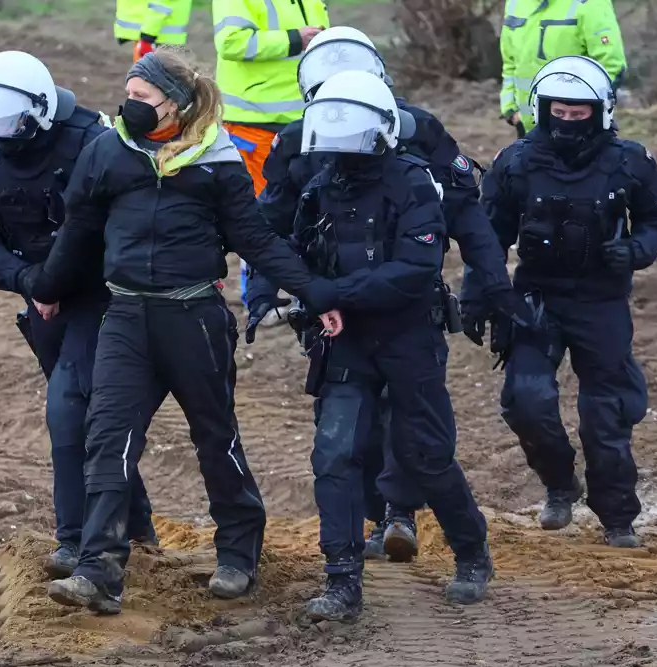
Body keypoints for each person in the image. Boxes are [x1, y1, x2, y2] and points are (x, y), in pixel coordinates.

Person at [29, 50, 343, 615]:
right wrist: (47, 287)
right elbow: (78, 231)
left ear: (175, 104)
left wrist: (315, 293)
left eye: (143, 99)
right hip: (124, 317)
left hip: (193, 317)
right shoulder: (107, 151)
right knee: (108, 436)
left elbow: (257, 239)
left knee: (214, 436)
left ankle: (238, 552)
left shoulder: (217, 160)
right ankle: (99, 570)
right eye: (128, 95)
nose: (130, 107)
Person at [251, 26, 530, 563]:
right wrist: (266, 289)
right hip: (335, 315)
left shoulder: (418, 137)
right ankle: (369, 531)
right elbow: (273, 224)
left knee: (419, 434)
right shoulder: (295, 143)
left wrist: (491, 288)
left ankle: (407, 514)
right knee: (343, 437)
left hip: (400, 305)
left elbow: (466, 216)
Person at [294, 69, 495, 621]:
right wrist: (300, 296)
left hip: (409, 335)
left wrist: (329, 293)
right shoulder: (319, 187)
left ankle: (472, 554)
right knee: (334, 455)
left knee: (425, 454)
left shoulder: (414, 183)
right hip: (345, 343)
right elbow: (297, 253)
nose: (341, 150)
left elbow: (415, 269)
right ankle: (341, 581)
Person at [0, 51, 158, 578]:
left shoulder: (96, 142)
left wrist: (57, 281)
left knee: (69, 409)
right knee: (91, 416)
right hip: (42, 302)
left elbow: (121, 227)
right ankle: (136, 528)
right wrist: (28, 282)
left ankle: (74, 541)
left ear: (40, 111)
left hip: (102, 297)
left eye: (9, 121)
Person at [482, 55, 657, 548]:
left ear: (601, 111)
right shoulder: (515, 162)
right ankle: (559, 486)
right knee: (527, 402)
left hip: (601, 300)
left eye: (578, 113)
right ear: (542, 110)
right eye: (558, 113)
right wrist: (480, 297)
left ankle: (616, 517)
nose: (567, 122)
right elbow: (486, 237)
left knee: (606, 414)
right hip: (536, 297)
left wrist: (635, 250)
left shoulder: (630, 160)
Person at [212, 0, 329, 320]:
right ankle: (259, 301)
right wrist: (294, 38)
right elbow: (231, 41)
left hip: (304, 119)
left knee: (307, 209)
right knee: (264, 214)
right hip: (256, 120)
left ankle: (302, 288)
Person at [500, 0, 625, 136]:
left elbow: (611, 66)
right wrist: (510, 110)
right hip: (527, 129)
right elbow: (509, 62)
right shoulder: (514, 3)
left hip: (576, 130)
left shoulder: (591, 3)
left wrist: (587, 116)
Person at [114, 0, 192, 62]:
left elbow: (160, 6)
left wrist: (147, 38)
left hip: (155, 39)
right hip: (161, 39)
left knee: (146, 79)